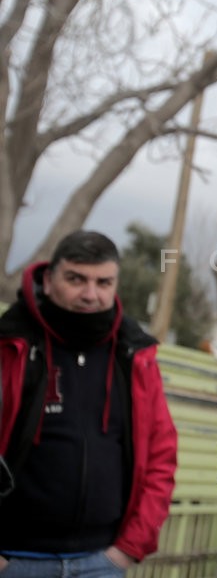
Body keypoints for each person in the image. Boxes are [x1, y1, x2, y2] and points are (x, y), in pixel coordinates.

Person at [0, 230, 178, 576]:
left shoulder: (135, 355)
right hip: (14, 559)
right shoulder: (10, 345)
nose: (90, 294)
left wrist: (127, 549)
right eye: (76, 279)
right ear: (48, 281)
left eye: (103, 282)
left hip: (103, 562)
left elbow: (161, 456)